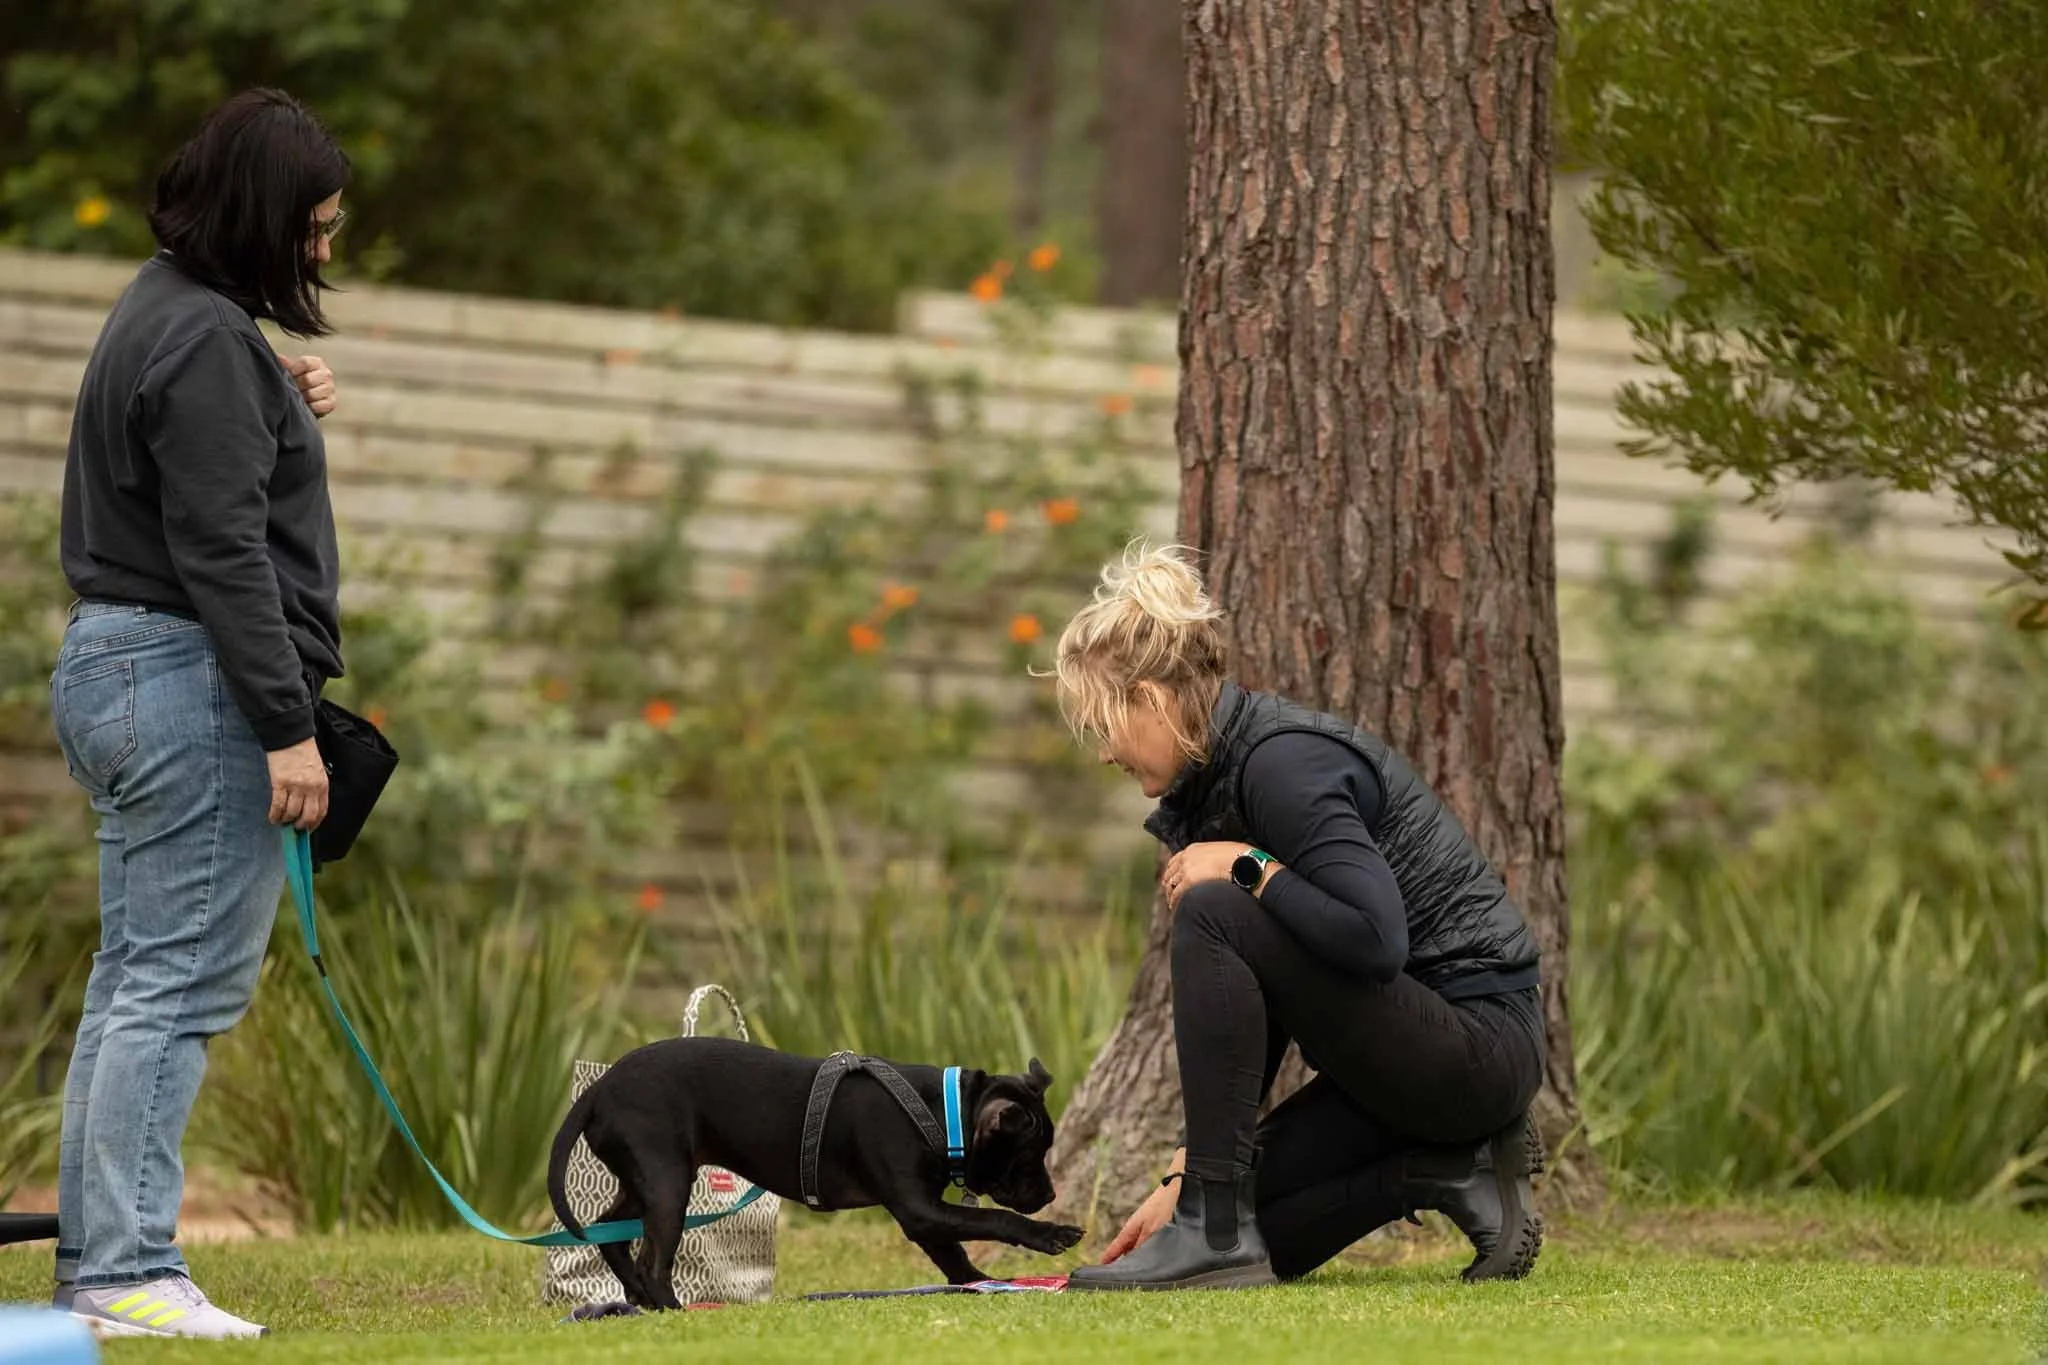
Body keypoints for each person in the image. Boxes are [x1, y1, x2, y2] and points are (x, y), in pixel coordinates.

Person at [46, 87, 350, 1340]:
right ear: (265, 218)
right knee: (175, 987)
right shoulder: (207, 343)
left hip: (119, 667)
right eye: (316, 226)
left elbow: (188, 457)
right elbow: (222, 550)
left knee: (135, 981)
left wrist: (277, 396)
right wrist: (287, 724)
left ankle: (98, 1269)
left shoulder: (167, 311)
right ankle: (127, 1271)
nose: (326, 250)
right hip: (191, 682)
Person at [1047, 541, 1547, 1292]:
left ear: (1151, 700)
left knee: (1212, 907)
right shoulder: (1210, 785)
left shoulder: (1281, 764)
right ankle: (1447, 1169)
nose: (1103, 752)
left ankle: (1211, 1228)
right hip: (1403, 1066)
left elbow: (1376, 940)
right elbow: (1259, 998)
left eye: (1105, 723)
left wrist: (1245, 865)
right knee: (1260, 1237)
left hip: (1475, 1042)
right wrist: (1190, 1174)